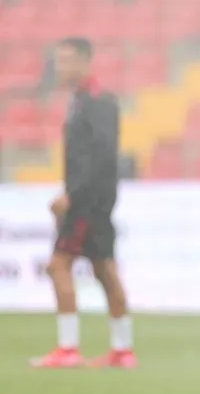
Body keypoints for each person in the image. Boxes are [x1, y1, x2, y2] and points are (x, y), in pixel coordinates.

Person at [31, 37, 135, 369]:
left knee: (58, 265)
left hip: (88, 202)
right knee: (104, 269)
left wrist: (73, 196)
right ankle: (122, 350)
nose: (60, 67)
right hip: (93, 200)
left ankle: (68, 348)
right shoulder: (80, 101)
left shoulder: (96, 101)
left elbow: (103, 156)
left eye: (67, 60)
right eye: (58, 59)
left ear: (85, 62)